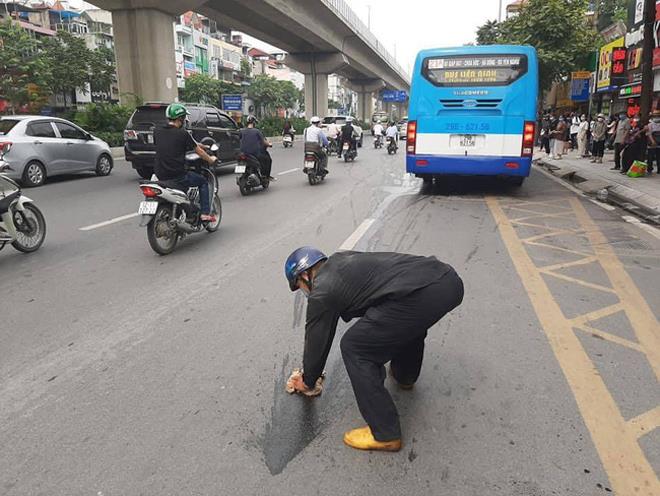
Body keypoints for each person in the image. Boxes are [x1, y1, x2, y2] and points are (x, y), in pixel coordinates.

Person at [284, 247, 464, 451]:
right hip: (445, 280)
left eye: (298, 285)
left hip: (421, 293)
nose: (303, 291)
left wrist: (308, 381)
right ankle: (405, 376)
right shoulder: (342, 258)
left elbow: (317, 341)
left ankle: (385, 433)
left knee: (355, 347)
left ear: (305, 275)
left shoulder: (322, 291)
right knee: (404, 321)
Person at [154, 103, 218, 222]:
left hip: (160, 174)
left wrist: (202, 145)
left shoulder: (157, 131)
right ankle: (204, 213)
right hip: (177, 176)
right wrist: (210, 159)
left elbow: (186, 143)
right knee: (203, 182)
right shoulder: (182, 133)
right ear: (181, 119)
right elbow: (199, 152)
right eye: (184, 118)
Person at [240, 116, 274, 180]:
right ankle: (266, 176)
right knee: (268, 159)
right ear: (254, 123)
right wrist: (269, 144)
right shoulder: (257, 131)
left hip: (243, 153)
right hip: (254, 153)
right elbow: (264, 142)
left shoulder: (242, 131)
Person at [646, 110, 660, 174]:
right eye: (655, 116)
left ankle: (659, 170)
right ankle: (649, 169)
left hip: (659, 143)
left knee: (658, 157)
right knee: (650, 157)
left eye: (658, 116)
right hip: (651, 143)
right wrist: (652, 141)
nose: (656, 117)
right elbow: (649, 134)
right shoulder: (650, 124)